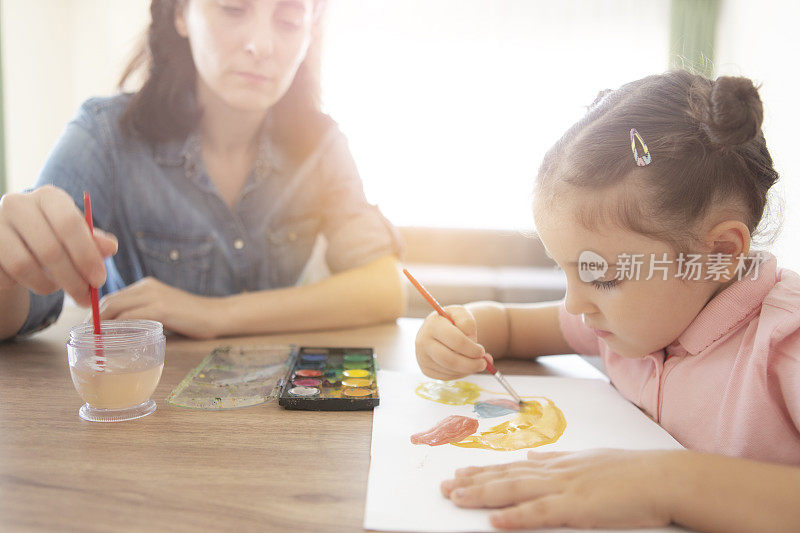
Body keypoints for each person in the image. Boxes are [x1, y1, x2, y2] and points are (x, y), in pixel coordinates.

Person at [414, 70, 800, 531]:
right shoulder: (628, 322)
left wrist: (666, 483)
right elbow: (511, 328)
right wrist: (457, 333)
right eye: (565, 270)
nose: (574, 304)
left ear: (717, 255)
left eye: (601, 277)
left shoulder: (784, 347)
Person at [0, 0, 404, 341]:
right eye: (233, 9)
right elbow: (32, 299)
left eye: (289, 20)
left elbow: (385, 288)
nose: (261, 45)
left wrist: (214, 314)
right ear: (180, 14)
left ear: (309, 32)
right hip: (140, 409)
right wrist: (8, 269)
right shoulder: (105, 136)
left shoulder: (321, 143)